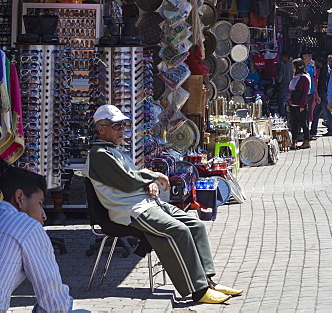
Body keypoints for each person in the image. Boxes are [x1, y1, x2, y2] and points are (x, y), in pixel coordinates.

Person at [84, 105, 241, 304]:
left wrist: (148, 182)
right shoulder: (99, 155)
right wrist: (153, 176)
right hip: (132, 210)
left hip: (145, 203)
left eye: (123, 125)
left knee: (196, 225)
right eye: (116, 126)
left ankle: (208, 280)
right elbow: (127, 180)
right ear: (101, 128)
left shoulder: (113, 151)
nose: (122, 129)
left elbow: (131, 178)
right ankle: (198, 290)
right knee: (179, 230)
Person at [0, 167, 73, 312]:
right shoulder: (26, 226)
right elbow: (55, 303)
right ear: (20, 198)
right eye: (40, 204)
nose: (44, 215)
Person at [287, 58, 312, 149]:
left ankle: (306, 141)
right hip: (293, 104)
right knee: (294, 124)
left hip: (301, 105)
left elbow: (305, 93)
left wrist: (302, 105)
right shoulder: (294, 77)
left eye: (293, 67)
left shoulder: (305, 78)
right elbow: (291, 91)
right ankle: (294, 141)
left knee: (303, 123)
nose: (292, 68)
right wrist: (289, 103)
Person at [311, 55, 332, 138]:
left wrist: (320, 95)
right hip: (323, 93)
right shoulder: (325, 69)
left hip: (323, 93)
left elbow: (323, 83)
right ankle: (313, 130)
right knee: (316, 112)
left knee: (327, 112)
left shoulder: (324, 70)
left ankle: (331, 130)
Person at [276, 52, 293, 117]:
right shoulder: (293, 66)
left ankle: (282, 114)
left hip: (284, 85)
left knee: (282, 101)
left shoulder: (283, 66)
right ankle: (288, 113)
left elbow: (280, 79)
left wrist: (277, 80)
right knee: (289, 100)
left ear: (285, 57)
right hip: (291, 85)